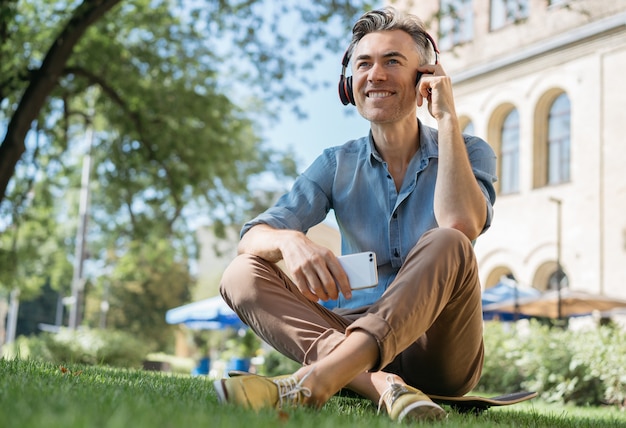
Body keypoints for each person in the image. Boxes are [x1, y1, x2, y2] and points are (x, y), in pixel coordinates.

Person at [213, 6, 497, 423]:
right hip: (347, 331)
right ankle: (380, 384)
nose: (375, 74)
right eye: (364, 63)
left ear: (426, 79)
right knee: (240, 273)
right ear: (350, 84)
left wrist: (447, 116)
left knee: (447, 239)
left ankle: (319, 380)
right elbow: (252, 236)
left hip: (439, 350)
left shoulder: (469, 150)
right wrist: (289, 240)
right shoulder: (335, 164)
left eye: (392, 62)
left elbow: (460, 224)